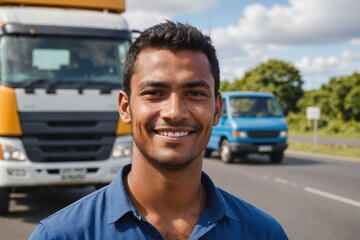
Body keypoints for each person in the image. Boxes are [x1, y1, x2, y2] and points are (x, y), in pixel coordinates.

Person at [29, 20, 288, 240]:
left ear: (217, 109)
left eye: (195, 93)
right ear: (125, 107)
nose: (174, 112)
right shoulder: (61, 235)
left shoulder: (263, 233)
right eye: (154, 93)